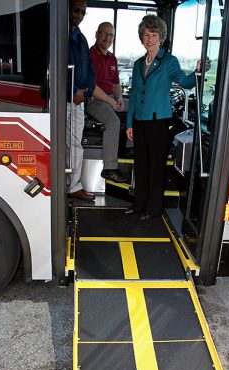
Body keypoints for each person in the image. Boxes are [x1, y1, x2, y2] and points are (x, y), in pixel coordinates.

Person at [126, 15, 205, 219]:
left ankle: (153, 209)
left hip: (159, 121)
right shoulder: (137, 64)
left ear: (161, 37)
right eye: (146, 35)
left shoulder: (169, 61)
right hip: (140, 120)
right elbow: (134, 94)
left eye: (154, 35)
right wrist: (129, 123)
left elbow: (185, 82)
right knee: (141, 165)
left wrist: (197, 72)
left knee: (156, 167)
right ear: (141, 38)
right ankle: (139, 205)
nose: (149, 39)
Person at [86, 22, 128, 183]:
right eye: (104, 34)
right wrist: (111, 101)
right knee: (113, 121)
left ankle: (129, 149)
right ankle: (109, 168)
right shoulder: (89, 55)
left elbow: (116, 84)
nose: (107, 38)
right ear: (97, 34)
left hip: (110, 97)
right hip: (93, 99)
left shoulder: (112, 58)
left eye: (111, 35)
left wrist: (119, 99)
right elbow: (92, 87)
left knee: (137, 106)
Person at [67, 0, 96, 201]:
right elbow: (57, 69)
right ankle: (70, 186)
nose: (80, 15)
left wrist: (86, 93)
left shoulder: (82, 39)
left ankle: (73, 185)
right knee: (66, 145)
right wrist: (73, 91)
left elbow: (91, 72)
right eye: (77, 10)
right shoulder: (60, 36)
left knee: (75, 144)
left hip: (78, 101)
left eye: (83, 12)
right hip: (64, 100)